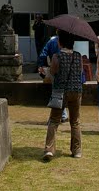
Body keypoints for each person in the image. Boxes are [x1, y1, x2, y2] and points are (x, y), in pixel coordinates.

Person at [42, 30, 83, 161]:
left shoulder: (56, 56)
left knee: (54, 120)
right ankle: (76, 150)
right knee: (75, 121)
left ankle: (49, 149)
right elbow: (80, 71)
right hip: (76, 90)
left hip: (60, 91)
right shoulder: (78, 56)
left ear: (60, 42)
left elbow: (53, 72)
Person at [38, 35, 68, 122]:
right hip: (67, 68)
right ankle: (63, 114)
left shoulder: (51, 41)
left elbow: (43, 54)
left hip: (54, 68)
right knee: (64, 91)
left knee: (56, 91)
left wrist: (41, 65)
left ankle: (61, 115)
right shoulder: (69, 39)